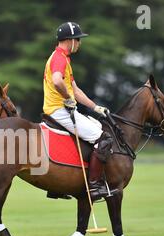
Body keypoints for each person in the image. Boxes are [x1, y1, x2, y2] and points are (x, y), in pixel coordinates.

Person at [43, 22, 118, 200]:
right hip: (59, 109)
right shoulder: (59, 58)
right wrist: (67, 98)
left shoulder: (63, 59)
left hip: (59, 108)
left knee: (93, 128)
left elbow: (75, 90)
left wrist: (95, 107)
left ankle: (57, 187)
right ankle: (94, 186)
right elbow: (57, 81)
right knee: (103, 139)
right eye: (78, 39)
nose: (80, 43)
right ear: (69, 41)